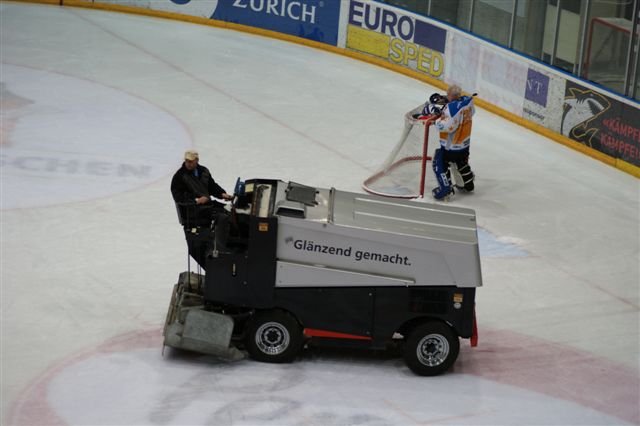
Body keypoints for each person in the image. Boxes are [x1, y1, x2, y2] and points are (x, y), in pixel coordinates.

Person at [430, 84, 475, 200]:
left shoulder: (451, 108)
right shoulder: (468, 101)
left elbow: (448, 127)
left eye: (448, 94)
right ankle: (467, 185)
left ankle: (446, 189)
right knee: (460, 162)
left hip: (452, 146)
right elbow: (471, 112)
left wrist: (436, 121)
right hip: (465, 144)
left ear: (450, 95)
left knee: (439, 160)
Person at [171, 149, 233, 227]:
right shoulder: (180, 176)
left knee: (229, 210)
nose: (188, 163)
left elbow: (212, 186)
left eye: (191, 161)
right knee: (223, 216)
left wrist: (222, 194)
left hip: (207, 206)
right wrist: (196, 200)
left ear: (197, 160)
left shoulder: (204, 171)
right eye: (187, 161)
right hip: (192, 210)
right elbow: (178, 197)